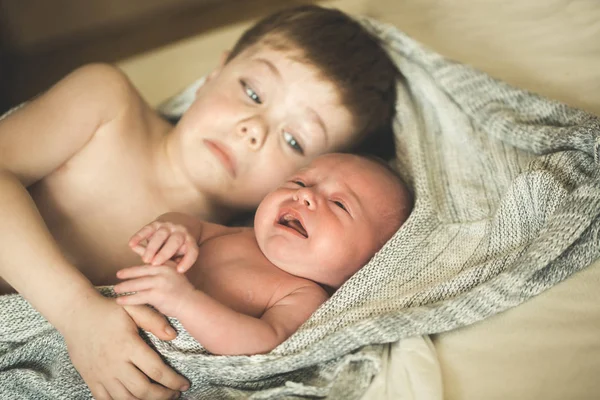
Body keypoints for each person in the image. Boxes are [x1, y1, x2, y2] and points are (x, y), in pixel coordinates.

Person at [0, 5, 400, 400]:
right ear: (214, 73)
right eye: (253, 91)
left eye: (294, 140)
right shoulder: (108, 104)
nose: (252, 130)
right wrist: (78, 314)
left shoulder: (249, 256)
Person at [114, 153, 413, 355]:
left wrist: (185, 302)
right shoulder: (240, 234)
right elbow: (192, 225)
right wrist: (173, 229)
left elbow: (260, 342)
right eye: (300, 182)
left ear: (371, 263)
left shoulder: (303, 295)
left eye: (340, 204)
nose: (305, 195)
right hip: (112, 316)